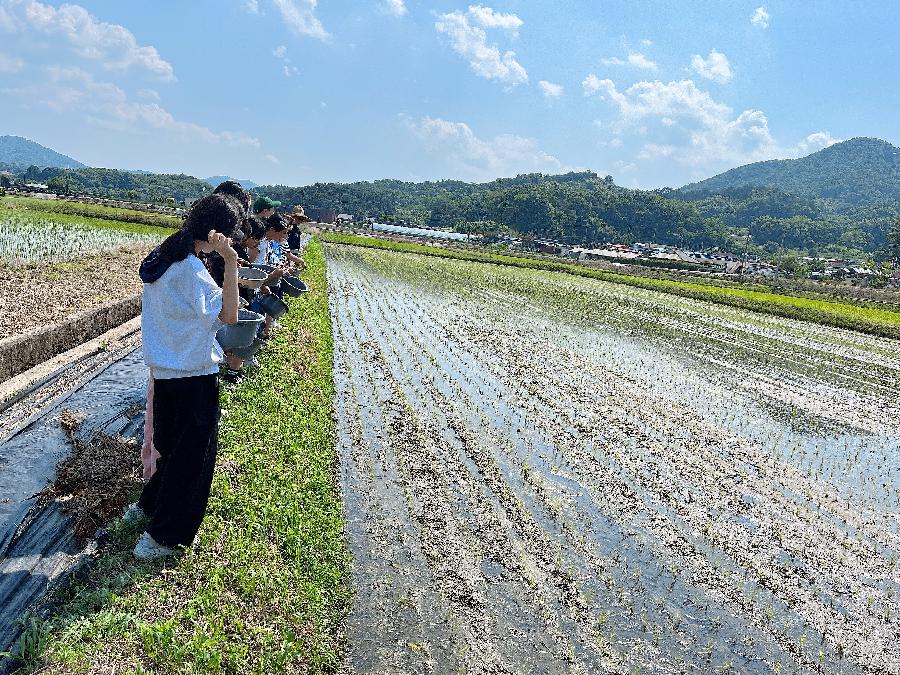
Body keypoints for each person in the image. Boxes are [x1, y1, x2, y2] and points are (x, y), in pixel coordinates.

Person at [127, 193, 242, 559]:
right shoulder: (193, 271)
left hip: (164, 375)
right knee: (191, 461)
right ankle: (161, 537)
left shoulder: (163, 257)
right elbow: (230, 317)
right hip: (193, 377)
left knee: (170, 450)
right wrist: (232, 265)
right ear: (217, 234)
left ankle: (147, 506)